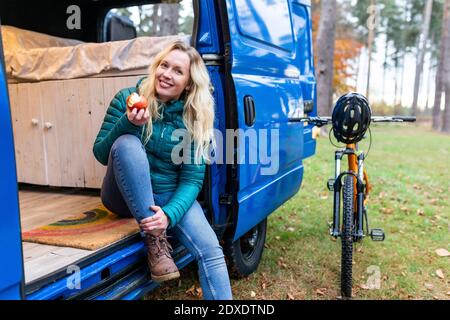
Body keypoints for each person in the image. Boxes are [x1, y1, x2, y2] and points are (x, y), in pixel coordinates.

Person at [93, 40, 232, 300]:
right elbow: (101, 153)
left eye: (178, 71)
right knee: (127, 143)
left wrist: (169, 215)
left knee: (211, 251)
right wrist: (130, 123)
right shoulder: (127, 98)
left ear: (189, 83)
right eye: (164, 65)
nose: (166, 74)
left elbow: (192, 180)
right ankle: (155, 240)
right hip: (121, 194)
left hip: (168, 194)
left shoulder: (194, 118)